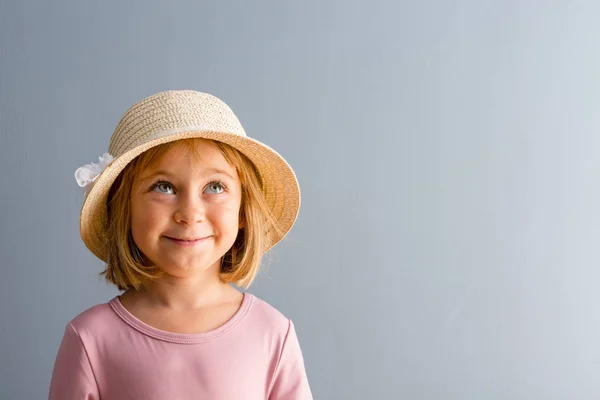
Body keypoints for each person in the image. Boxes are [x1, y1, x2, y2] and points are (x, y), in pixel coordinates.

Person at [48, 90, 313, 399]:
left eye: (215, 187)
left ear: (243, 209)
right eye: (164, 187)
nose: (190, 214)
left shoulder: (273, 334)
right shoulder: (91, 339)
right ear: (124, 208)